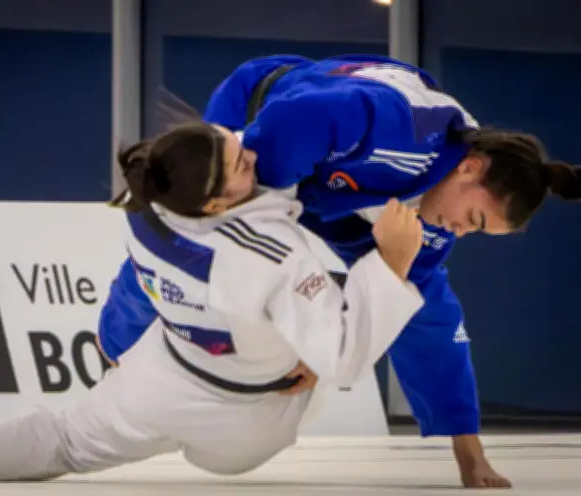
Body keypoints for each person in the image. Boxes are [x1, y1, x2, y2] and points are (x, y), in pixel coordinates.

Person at [98, 54, 581, 489]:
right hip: (263, 120)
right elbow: (300, 115)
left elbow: (431, 325)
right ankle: (115, 341)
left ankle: (466, 442)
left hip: (343, 188)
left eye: (477, 232)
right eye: (474, 219)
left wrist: (468, 452)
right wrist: (258, 192)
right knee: (190, 224)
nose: (461, 230)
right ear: (471, 168)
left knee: (420, 296)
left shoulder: (436, 218)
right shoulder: (402, 127)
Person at [0, 122, 427, 484]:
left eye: (233, 142)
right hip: (250, 418)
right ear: (210, 206)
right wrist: (392, 262)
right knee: (306, 375)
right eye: (239, 164)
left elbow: (143, 274)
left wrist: (116, 345)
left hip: (163, 374)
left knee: (63, 440)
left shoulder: (145, 206)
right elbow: (346, 359)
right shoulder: (270, 256)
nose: (251, 152)